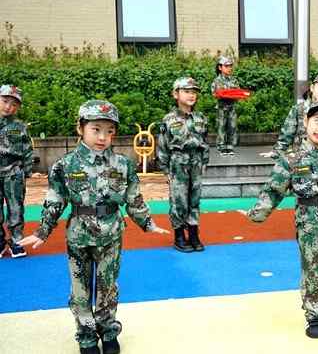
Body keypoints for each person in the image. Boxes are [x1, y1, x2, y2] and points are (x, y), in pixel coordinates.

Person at [19, 100, 169, 354]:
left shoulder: (123, 165)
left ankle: (108, 331)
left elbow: (134, 198)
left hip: (111, 235)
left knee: (108, 288)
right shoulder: (65, 165)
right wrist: (42, 230)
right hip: (79, 236)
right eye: (96, 129)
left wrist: (147, 223)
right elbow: (55, 199)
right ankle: (87, 336)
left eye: (109, 131)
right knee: (80, 292)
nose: (103, 137)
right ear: (81, 128)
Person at [243, 99, 318, 339]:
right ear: (306, 122)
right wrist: (257, 213)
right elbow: (273, 189)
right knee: (311, 268)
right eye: (317, 121)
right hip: (308, 220)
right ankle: (313, 316)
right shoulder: (291, 159)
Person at [157, 77, 210, 253]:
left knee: (195, 199)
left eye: (194, 92)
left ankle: (194, 233)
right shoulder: (169, 119)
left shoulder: (201, 118)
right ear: (175, 94)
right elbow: (163, 145)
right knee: (179, 199)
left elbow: (205, 141)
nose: (191, 95)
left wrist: (204, 162)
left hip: (196, 162)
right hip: (178, 162)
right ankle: (179, 235)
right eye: (187, 91)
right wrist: (165, 169)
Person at [261, 73, 318, 160]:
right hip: (301, 156)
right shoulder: (299, 109)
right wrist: (277, 152)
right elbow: (287, 133)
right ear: (312, 88)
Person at [0, 85, 33, 258]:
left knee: (16, 209)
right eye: (5, 101)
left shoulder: (20, 127)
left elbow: (27, 149)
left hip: (13, 173)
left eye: (13, 104)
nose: (8, 107)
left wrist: (26, 171)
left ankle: (16, 241)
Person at [211, 56, 239, 155]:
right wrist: (222, 94)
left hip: (232, 107)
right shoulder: (217, 81)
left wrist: (235, 95)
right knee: (221, 127)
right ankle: (221, 147)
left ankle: (230, 146)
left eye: (230, 66)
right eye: (226, 66)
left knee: (232, 126)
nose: (229, 68)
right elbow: (214, 93)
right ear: (220, 67)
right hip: (221, 107)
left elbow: (237, 92)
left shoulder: (234, 80)